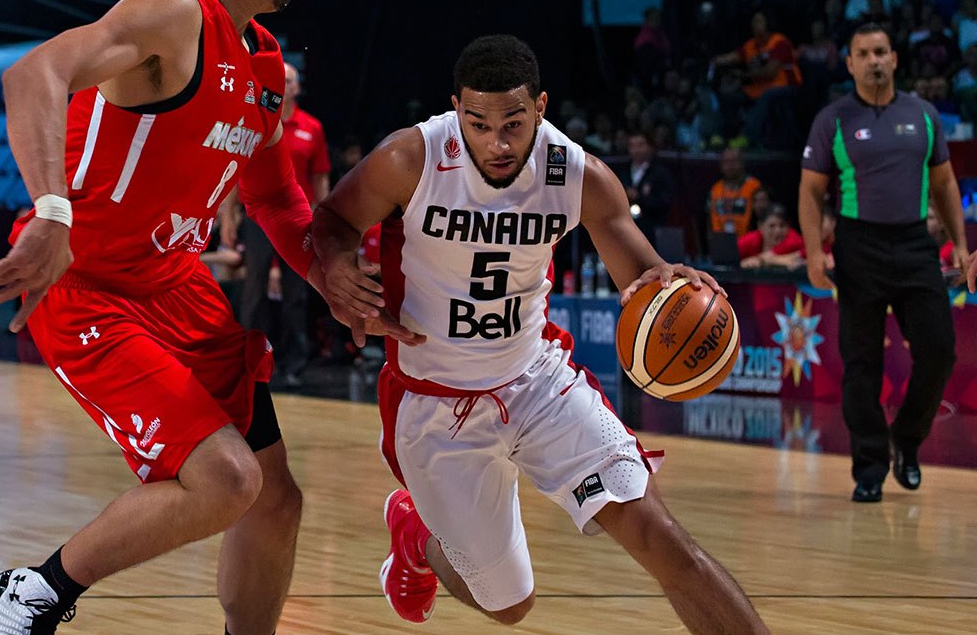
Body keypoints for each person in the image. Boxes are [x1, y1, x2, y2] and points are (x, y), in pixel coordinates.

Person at [0, 0, 408, 634]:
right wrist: (50, 210)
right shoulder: (174, 14)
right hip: (89, 286)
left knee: (274, 496)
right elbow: (31, 75)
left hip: (178, 289)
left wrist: (326, 274)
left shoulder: (266, 68)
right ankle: (30, 593)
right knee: (227, 480)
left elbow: (275, 200)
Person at [312, 35, 770, 633]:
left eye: (513, 123)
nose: (496, 143)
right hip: (434, 401)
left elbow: (642, 278)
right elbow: (332, 221)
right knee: (509, 604)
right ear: (456, 110)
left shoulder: (579, 175)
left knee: (663, 540)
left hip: (538, 381)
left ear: (542, 108)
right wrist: (338, 277)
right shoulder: (411, 159)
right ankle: (416, 537)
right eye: (477, 124)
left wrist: (671, 287)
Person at [799, 23, 968, 503]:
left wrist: (959, 241)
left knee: (939, 351)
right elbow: (810, 191)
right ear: (849, 63)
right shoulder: (832, 120)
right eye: (863, 54)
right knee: (861, 363)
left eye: (880, 52)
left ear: (895, 58)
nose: (873, 60)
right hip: (859, 246)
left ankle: (907, 442)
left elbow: (945, 184)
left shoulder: (924, 114)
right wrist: (815, 252)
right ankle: (870, 466)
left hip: (915, 243)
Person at [225, 60, 330, 388]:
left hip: (298, 219)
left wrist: (323, 220)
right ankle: (247, 360)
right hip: (257, 218)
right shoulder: (255, 121)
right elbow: (233, 169)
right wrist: (228, 216)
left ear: (297, 88)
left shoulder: (311, 127)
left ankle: (293, 364)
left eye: (289, 80)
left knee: (296, 291)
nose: (284, 84)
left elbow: (321, 177)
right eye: (279, 79)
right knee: (253, 288)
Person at [714, 12, 802, 148]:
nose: (755, 25)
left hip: (786, 87)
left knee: (767, 96)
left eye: (759, 21)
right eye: (754, 21)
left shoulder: (779, 42)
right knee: (729, 96)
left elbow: (769, 72)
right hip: (760, 89)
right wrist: (717, 61)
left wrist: (742, 76)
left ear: (768, 24)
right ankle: (721, 136)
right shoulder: (751, 45)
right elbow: (733, 57)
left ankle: (747, 138)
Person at [613, 130, 673, 246]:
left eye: (640, 145)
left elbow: (664, 201)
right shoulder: (622, 172)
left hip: (651, 230)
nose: (636, 150)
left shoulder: (659, 173)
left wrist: (639, 197)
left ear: (649, 147)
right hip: (626, 229)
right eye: (632, 146)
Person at [708, 146, 763, 237]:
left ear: (742, 163)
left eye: (734, 161)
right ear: (721, 165)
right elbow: (709, 221)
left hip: (748, 244)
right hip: (720, 243)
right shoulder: (715, 189)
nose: (730, 165)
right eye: (726, 162)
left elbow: (765, 220)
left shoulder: (755, 187)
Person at [737, 204, 805, 269]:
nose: (777, 231)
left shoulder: (794, 239)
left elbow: (808, 252)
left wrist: (762, 260)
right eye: (772, 226)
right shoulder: (751, 240)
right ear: (760, 227)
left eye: (782, 225)